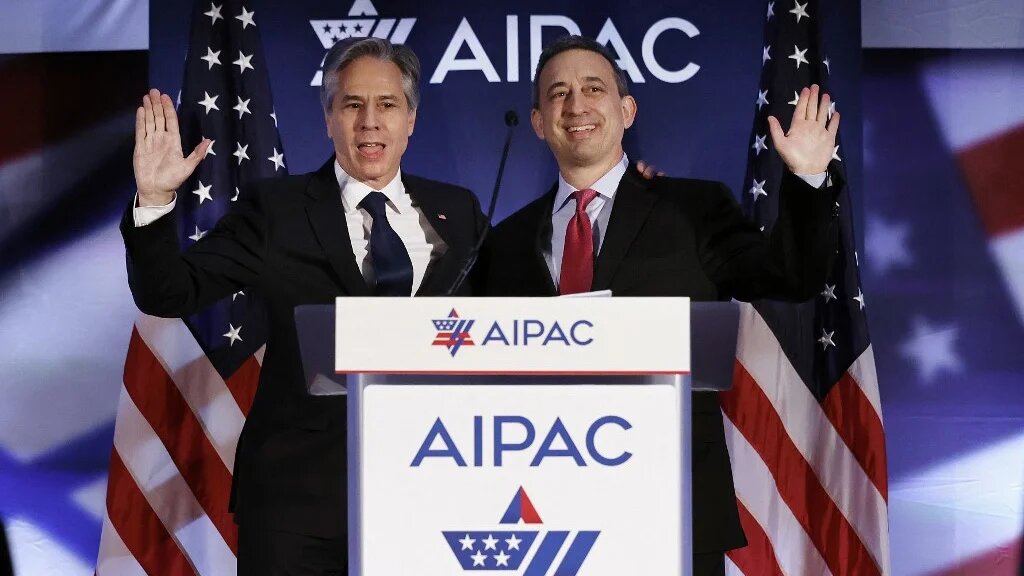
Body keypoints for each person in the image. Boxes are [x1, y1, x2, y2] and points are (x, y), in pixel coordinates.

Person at [475, 35, 841, 576]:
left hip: (672, 504)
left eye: (593, 89)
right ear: (537, 122)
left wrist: (808, 179)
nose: (576, 106)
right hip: (544, 514)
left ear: (627, 111)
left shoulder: (694, 208)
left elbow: (792, 276)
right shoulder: (504, 242)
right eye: (558, 94)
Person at [123, 38, 485, 574]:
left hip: (426, 499)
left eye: (387, 105)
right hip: (297, 505)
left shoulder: (459, 211)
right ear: (328, 119)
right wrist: (154, 200)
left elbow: (505, 323)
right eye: (352, 104)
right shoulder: (277, 210)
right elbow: (168, 291)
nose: (369, 121)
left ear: (410, 119)